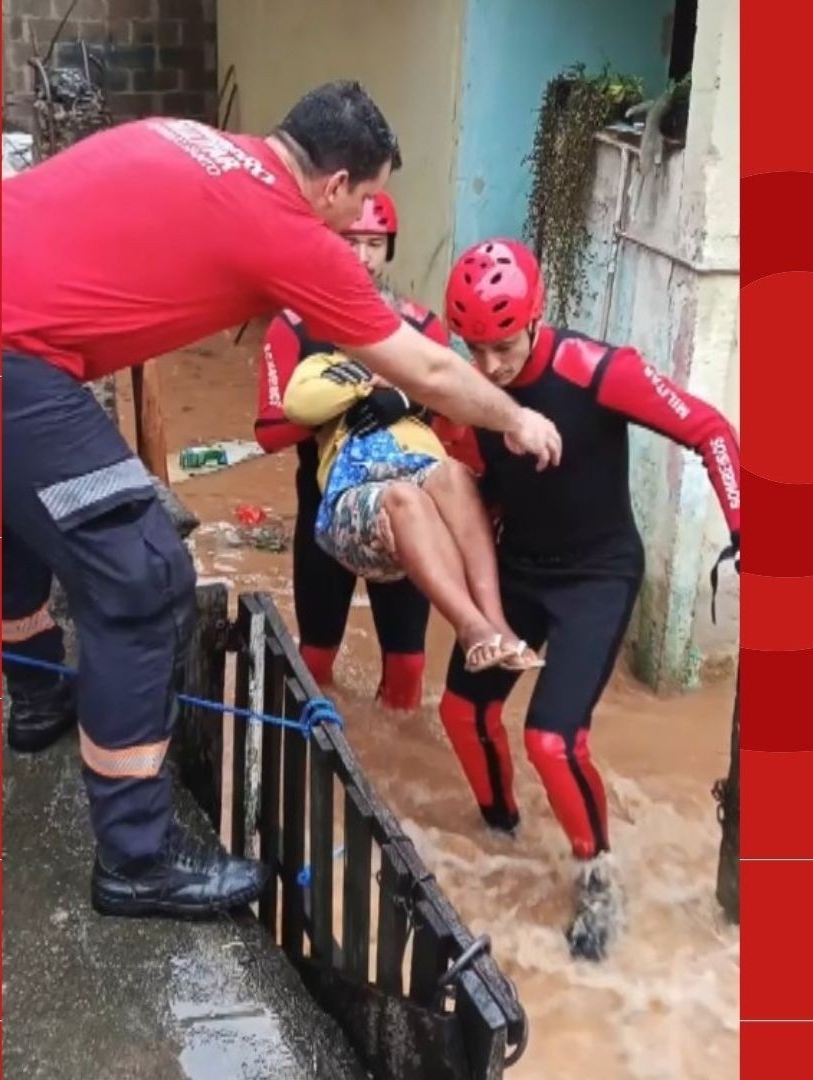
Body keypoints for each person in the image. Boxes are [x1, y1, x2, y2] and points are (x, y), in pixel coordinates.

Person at [1, 83, 565, 921]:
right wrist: (517, 414)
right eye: (367, 199)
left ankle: (42, 690)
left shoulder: (183, 135)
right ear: (334, 185)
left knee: (22, 511)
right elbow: (436, 372)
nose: (365, 222)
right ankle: (137, 858)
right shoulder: (287, 231)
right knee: (142, 572)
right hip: (4, 362)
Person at [422, 238, 742, 960]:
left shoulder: (600, 371)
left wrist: (745, 528)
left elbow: (710, 430)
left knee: (552, 739)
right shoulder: (469, 392)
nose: (490, 367)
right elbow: (471, 480)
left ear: (535, 319)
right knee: (461, 710)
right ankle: (499, 834)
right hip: (521, 569)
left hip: (597, 575)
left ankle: (598, 873)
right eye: (474, 349)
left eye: (502, 346)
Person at [253, 191, 477, 709]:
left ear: (389, 250)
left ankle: (391, 773)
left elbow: (458, 428)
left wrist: (409, 403)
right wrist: (336, 407)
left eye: (373, 244)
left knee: (408, 668)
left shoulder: (422, 328)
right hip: (324, 510)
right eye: (348, 242)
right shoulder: (291, 327)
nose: (361, 257)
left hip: (407, 512)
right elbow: (268, 432)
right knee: (314, 662)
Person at [283, 349, 545, 673]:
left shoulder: (411, 363)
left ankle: (496, 625)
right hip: (356, 484)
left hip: (421, 466)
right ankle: (470, 627)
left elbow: (454, 397)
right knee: (406, 498)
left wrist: (403, 394)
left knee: (455, 474)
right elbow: (300, 404)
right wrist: (370, 384)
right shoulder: (321, 364)